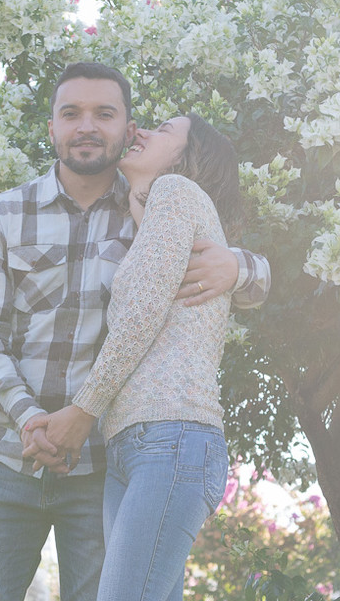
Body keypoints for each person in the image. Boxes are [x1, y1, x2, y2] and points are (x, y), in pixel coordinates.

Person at [0, 62, 269, 601]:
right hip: (7, 456)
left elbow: (247, 279)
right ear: (51, 126)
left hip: (102, 462)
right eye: (71, 113)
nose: (86, 126)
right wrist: (36, 422)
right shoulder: (0, 215)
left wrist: (241, 266)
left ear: (126, 128)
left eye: (105, 113)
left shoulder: (150, 208)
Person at [26, 112, 240, 601]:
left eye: (163, 130)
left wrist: (83, 411)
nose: (141, 132)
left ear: (187, 159)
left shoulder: (177, 193)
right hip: (134, 447)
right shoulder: (153, 223)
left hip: (172, 437)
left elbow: (141, 315)